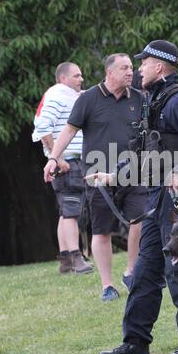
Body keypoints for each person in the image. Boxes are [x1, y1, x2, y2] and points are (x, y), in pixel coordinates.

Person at [94, 40, 178, 354]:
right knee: (145, 271)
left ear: (160, 67)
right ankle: (135, 344)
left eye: (144, 63)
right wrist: (115, 174)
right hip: (156, 197)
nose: (139, 69)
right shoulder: (155, 100)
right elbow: (142, 149)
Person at [44, 54, 146, 301]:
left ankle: (131, 272)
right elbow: (68, 131)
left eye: (131, 67)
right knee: (101, 231)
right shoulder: (88, 98)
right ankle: (107, 285)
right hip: (97, 174)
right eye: (124, 68)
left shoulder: (140, 99)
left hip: (131, 172)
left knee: (140, 221)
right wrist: (53, 158)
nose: (130, 72)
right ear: (110, 73)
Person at [33, 62, 93, 274]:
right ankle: (77, 258)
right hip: (68, 161)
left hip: (68, 161)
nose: (81, 79)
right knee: (71, 212)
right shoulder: (58, 95)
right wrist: (56, 157)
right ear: (64, 79)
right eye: (77, 76)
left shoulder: (64, 95)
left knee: (65, 211)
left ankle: (66, 259)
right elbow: (42, 127)